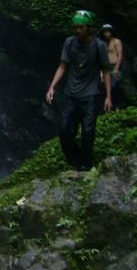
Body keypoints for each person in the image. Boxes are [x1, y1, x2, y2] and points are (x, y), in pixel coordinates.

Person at [46, 10, 113, 170]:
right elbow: (63, 66)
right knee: (64, 130)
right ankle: (76, 159)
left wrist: (108, 96)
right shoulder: (69, 43)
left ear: (89, 27)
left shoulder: (99, 45)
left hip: (90, 95)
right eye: (75, 27)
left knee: (88, 132)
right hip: (70, 94)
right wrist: (52, 86)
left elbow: (106, 71)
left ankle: (85, 166)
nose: (78, 30)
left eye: (81, 27)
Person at [101, 24, 123, 108]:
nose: (106, 34)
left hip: (114, 66)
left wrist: (117, 68)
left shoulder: (116, 41)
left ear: (111, 32)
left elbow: (120, 55)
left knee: (114, 85)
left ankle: (117, 105)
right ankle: (108, 106)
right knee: (105, 87)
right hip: (105, 67)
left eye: (108, 31)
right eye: (104, 32)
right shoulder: (103, 43)